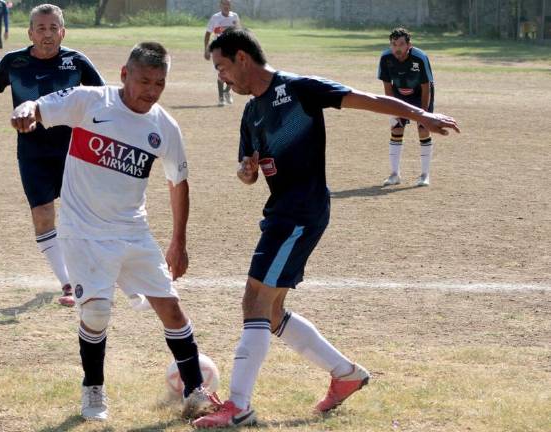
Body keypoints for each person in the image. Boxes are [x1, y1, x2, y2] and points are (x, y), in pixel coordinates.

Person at [193, 28, 459, 428]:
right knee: (272, 307)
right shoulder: (251, 113)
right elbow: (246, 171)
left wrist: (419, 114)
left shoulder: (299, 88)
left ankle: (239, 406)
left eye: (222, 67)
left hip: (301, 212)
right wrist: (246, 171)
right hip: (281, 211)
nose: (221, 77)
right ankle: (346, 374)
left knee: (254, 300)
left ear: (242, 58)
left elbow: (364, 99)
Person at [10, 41, 220, 422]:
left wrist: (179, 241)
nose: (151, 91)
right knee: (97, 314)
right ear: (124, 74)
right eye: (143, 81)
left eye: (159, 83)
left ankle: (196, 390)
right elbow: (39, 107)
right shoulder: (91, 101)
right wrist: (27, 109)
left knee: (171, 309)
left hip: (133, 232)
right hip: (83, 233)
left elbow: (178, 181)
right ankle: (93, 388)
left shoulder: (164, 126)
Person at [0, 4, 105, 307]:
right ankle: (69, 284)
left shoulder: (76, 62)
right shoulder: (13, 63)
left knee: (80, 216)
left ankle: (90, 279)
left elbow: (104, 100)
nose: (47, 34)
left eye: (53, 28)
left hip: (74, 150)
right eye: (41, 28)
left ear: (62, 32)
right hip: (32, 152)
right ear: (30, 33)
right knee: (42, 216)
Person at [378, 27, 435, 187]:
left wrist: (422, 114)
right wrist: (392, 110)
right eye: (394, 44)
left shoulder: (420, 58)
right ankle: (394, 175)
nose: (397, 48)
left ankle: (424, 175)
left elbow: (426, 86)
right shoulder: (386, 58)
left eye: (401, 44)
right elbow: (387, 86)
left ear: (409, 45)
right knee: (396, 129)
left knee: (423, 129)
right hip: (399, 96)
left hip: (420, 95)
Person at [203, 0, 239, 106]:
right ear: (220, 5)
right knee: (222, 73)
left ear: (230, 5)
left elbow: (238, 31)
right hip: (219, 50)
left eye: (228, 4)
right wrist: (206, 49)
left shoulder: (234, 16)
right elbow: (208, 34)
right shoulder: (215, 17)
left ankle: (227, 92)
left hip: (232, 49)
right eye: (224, 4)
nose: (226, 6)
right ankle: (221, 97)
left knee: (235, 72)